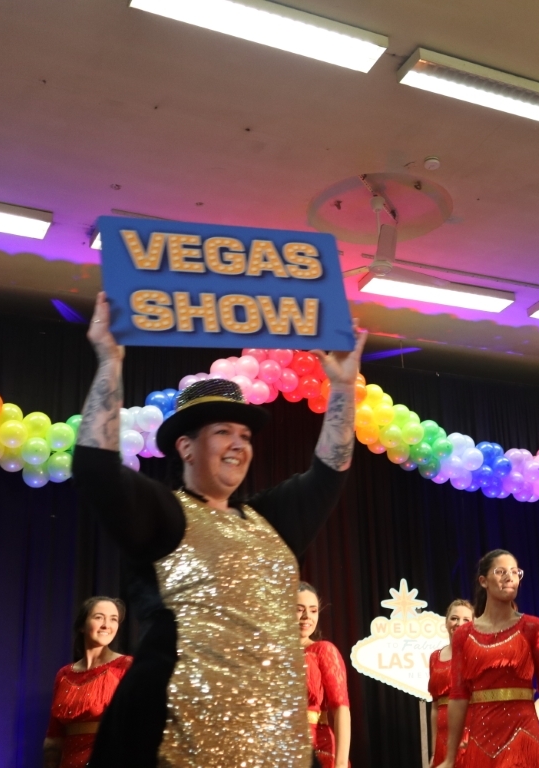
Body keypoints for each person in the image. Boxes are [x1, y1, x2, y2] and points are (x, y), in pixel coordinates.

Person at [73, 292, 364, 768]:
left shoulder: (270, 522)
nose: (238, 444)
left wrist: (344, 388)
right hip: (176, 741)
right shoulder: (166, 515)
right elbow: (95, 468)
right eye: (223, 432)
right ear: (186, 447)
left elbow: (330, 472)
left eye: (245, 435)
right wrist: (110, 361)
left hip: (277, 750)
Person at [436, 549, 539, 768]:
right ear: (483, 581)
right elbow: (458, 696)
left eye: (515, 572)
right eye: (501, 571)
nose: (510, 577)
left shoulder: (533, 627)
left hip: (524, 737)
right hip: (481, 742)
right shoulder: (463, 635)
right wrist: (450, 758)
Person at [43, 597, 132, 768]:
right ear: (82, 626)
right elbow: (54, 736)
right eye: (99, 617)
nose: (106, 625)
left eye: (113, 619)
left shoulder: (126, 666)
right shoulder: (64, 674)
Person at [298, 582, 352, 768]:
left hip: (317, 748)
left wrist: (341, 763)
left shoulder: (322, 650)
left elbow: (341, 708)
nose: (307, 616)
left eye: (313, 610)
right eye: (299, 609)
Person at [430, 599, 474, 767]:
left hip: (468, 735)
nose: (459, 623)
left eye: (466, 619)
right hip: (442, 737)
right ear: (446, 621)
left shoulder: (475, 654)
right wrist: (434, 751)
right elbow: (435, 707)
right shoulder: (435, 657)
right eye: (454, 618)